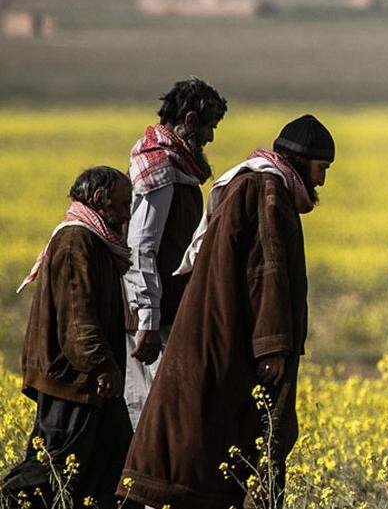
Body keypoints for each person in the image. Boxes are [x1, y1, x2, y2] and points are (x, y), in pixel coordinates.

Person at [118, 116, 334, 509]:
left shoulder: (250, 185)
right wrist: (272, 346)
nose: (321, 182)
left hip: (223, 336)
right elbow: (265, 273)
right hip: (231, 339)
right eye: (321, 169)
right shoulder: (267, 190)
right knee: (227, 443)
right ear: (302, 162)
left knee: (207, 438)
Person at [3, 167, 136, 509]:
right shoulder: (77, 240)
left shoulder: (95, 240)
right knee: (48, 471)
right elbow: (78, 317)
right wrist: (101, 365)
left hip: (90, 380)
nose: (127, 213)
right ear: (98, 200)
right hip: (72, 380)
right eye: (123, 204)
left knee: (114, 469)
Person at [124, 77, 227, 428]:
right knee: (151, 410)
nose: (212, 137)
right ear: (190, 119)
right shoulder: (160, 170)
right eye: (210, 126)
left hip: (167, 310)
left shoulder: (176, 168)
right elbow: (142, 248)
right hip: (154, 316)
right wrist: (147, 320)